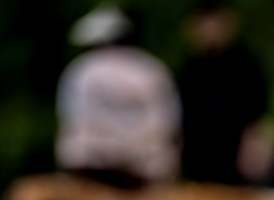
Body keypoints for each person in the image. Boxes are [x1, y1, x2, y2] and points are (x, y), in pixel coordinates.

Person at [55, 4, 182, 188]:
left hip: (93, 168)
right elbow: (168, 122)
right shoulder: (152, 69)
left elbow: (74, 118)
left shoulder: (82, 70)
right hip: (145, 169)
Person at [178, 2, 274, 185]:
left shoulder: (247, 65)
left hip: (236, 161)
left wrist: (257, 148)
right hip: (197, 161)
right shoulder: (190, 69)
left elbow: (259, 117)